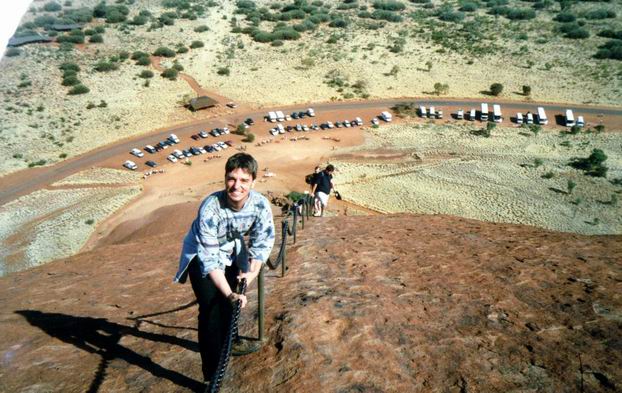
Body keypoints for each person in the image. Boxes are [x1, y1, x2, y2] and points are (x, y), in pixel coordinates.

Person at [174, 153, 275, 385]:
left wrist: (250, 274)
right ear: (224, 178)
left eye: (243, 180)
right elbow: (208, 259)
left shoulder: (259, 204)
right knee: (211, 309)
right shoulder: (211, 207)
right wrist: (230, 293)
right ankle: (211, 376)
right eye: (231, 179)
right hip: (201, 256)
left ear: (253, 182)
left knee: (231, 306)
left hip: (231, 250)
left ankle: (233, 341)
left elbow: (262, 243)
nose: (236, 186)